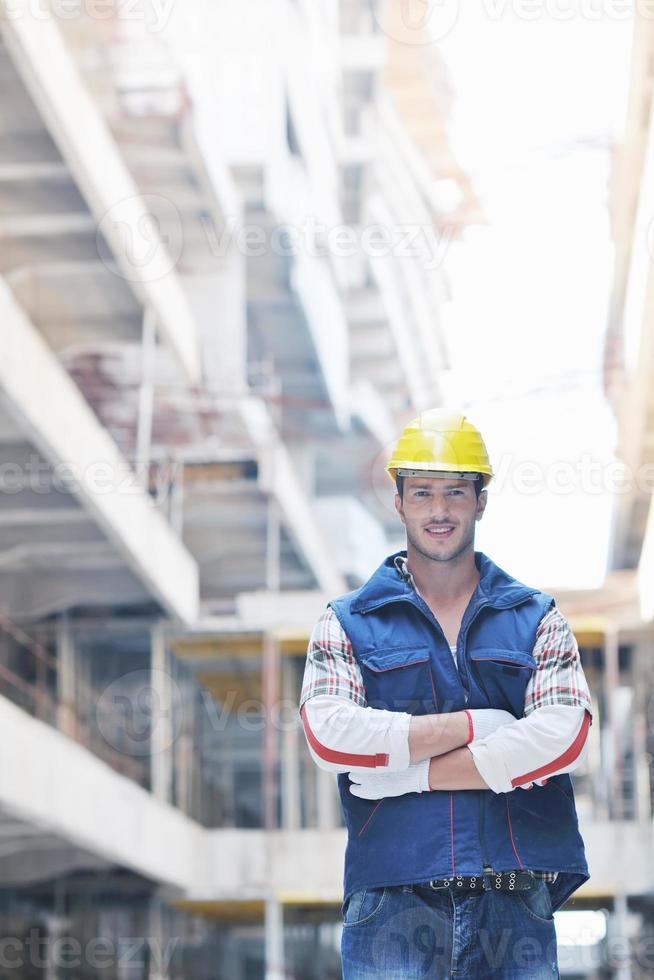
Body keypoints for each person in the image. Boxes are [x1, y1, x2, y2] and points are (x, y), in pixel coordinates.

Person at [299, 409, 593, 979]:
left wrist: (414, 773)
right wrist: (479, 726)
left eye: (456, 492)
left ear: (481, 500)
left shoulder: (536, 618)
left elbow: (567, 735)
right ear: (399, 501)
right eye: (423, 492)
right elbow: (329, 737)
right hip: (392, 899)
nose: (439, 510)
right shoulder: (347, 622)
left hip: (512, 894)